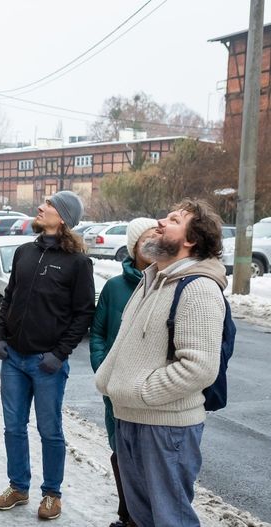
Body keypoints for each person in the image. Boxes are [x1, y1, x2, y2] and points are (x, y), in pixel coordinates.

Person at [95, 199, 226, 527]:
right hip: (129, 417)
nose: (160, 221)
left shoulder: (198, 288)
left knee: (171, 520)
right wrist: (109, 381)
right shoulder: (151, 280)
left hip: (166, 428)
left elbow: (199, 366)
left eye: (173, 219)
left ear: (190, 239)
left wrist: (139, 391)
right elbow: (126, 343)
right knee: (142, 518)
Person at [0, 190, 95, 521]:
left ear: (62, 217)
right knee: (13, 427)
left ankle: (52, 494)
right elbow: (9, 297)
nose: (41, 207)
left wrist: (59, 354)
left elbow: (83, 314)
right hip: (14, 360)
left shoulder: (78, 264)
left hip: (46, 364)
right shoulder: (24, 252)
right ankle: (18, 488)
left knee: (50, 431)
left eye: (49, 205)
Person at [89, 217, 158, 527]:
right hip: (115, 389)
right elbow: (98, 333)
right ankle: (126, 514)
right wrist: (103, 370)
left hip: (148, 389)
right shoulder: (115, 287)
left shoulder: (166, 283)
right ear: (133, 247)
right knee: (120, 454)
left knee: (148, 459)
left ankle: (144, 517)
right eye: (144, 240)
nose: (151, 245)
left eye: (155, 238)